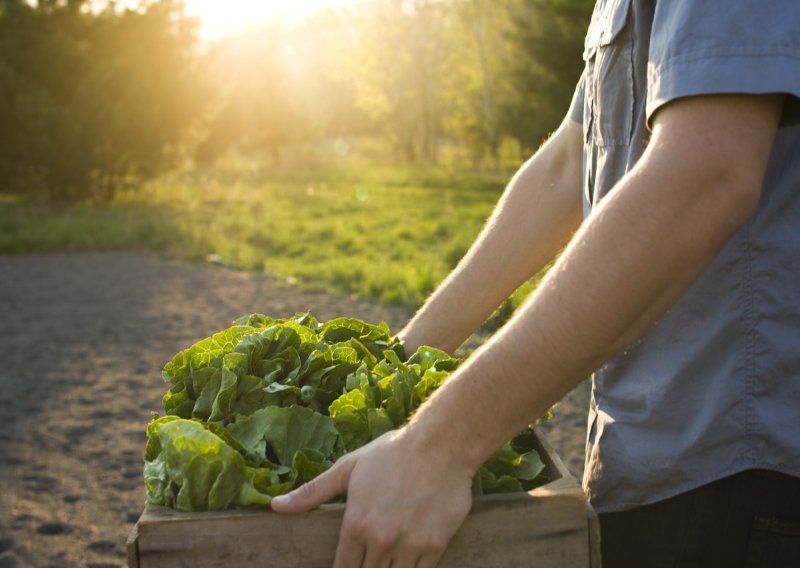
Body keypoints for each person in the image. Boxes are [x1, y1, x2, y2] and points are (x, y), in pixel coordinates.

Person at [272, 1, 800, 566]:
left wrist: (437, 448)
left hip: (741, 470)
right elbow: (568, 167)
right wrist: (394, 363)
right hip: (656, 457)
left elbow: (706, 174)